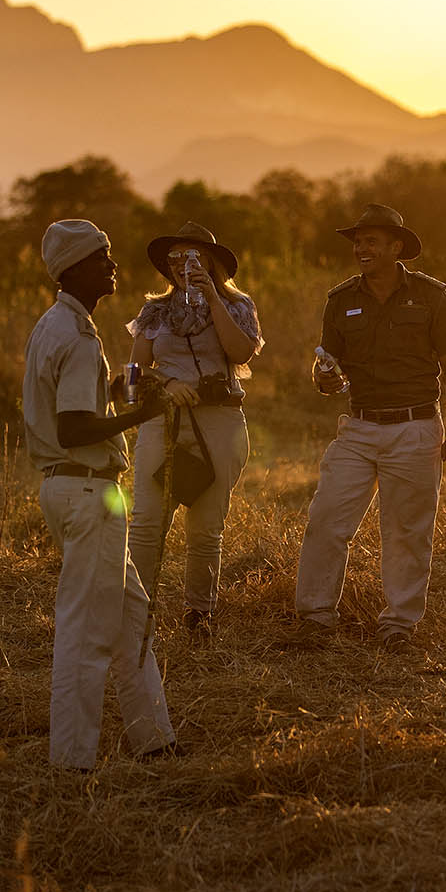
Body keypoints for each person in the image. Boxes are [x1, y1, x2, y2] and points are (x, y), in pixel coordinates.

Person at [23, 219, 178, 770]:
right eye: (102, 255)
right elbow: (72, 429)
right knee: (86, 632)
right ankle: (72, 760)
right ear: (74, 269)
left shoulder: (57, 324)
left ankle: (154, 738)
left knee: (132, 616)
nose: (113, 264)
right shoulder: (78, 336)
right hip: (86, 490)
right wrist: (141, 415)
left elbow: (78, 409)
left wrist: (115, 396)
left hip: (82, 491)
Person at [293, 203, 446, 652]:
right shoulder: (341, 300)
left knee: (407, 531)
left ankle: (399, 625)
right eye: (358, 241)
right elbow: (328, 371)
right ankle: (315, 617)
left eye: (370, 241)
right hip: (358, 427)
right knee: (327, 519)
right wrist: (327, 379)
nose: (360, 248)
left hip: (415, 427)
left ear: (396, 247)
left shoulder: (432, 296)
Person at [126, 222, 263, 639]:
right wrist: (166, 385)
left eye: (191, 257)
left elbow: (240, 351)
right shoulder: (154, 311)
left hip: (220, 421)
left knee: (205, 525)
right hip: (164, 421)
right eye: (173, 259)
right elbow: (132, 374)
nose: (180, 266)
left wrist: (212, 299)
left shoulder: (238, 306)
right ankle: (134, 610)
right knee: (147, 520)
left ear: (210, 262)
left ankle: (198, 614)